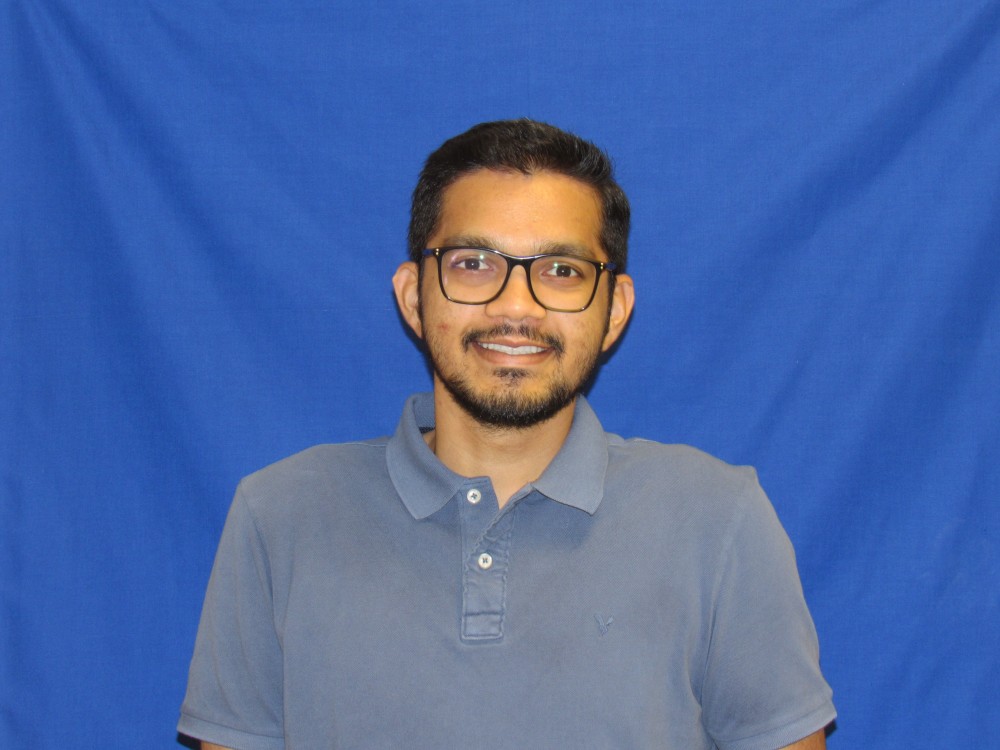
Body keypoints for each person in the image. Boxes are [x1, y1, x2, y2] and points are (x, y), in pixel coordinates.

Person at [178, 119, 836, 749]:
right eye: (473, 263)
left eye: (561, 271)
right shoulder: (280, 517)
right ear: (413, 297)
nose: (516, 306)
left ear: (614, 311)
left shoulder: (718, 521)